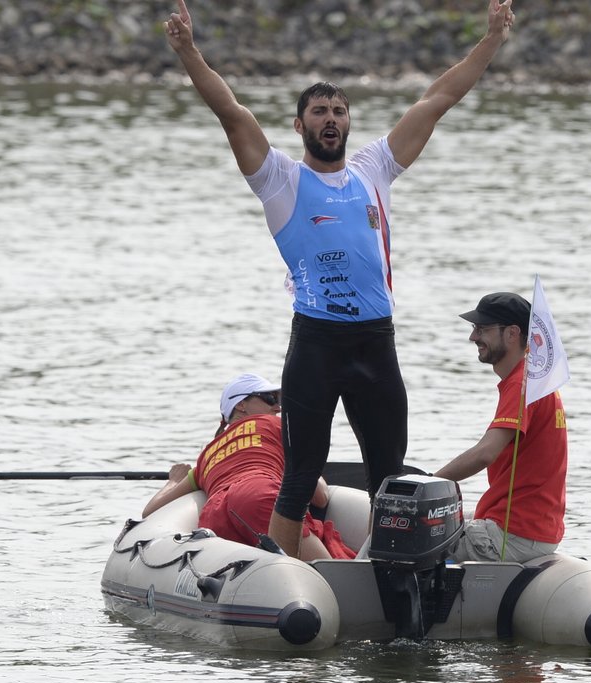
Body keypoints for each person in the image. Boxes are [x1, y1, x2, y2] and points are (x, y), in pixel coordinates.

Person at [162, 0, 517, 558]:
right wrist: (187, 51)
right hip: (317, 345)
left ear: (349, 122)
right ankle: (282, 573)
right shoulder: (279, 180)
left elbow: (438, 99)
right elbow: (230, 110)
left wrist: (492, 40)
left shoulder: (375, 169)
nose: (331, 119)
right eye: (319, 112)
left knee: (388, 472)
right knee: (301, 471)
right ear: (300, 125)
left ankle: (389, 577)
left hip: (376, 343)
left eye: (339, 111)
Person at [141, 373, 356, 562]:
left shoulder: (206, 455)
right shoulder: (277, 426)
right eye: (270, 398)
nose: (278, 407)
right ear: (241, 405)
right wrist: (311, 469)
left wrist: (174, 480)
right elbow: (320, 497)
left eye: (279, 400)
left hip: (216, 516)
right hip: (259, 495)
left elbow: (150, 511)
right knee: (331, 577)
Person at [433, 292, 568, 563]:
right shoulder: (534, 378)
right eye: (474, 328)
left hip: (512, 533)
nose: (473, 337)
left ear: (512, 333)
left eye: (482, 329)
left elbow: (485, 452)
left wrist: (430, 483)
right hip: (535, 529)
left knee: (402, 530)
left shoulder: (522, 383)